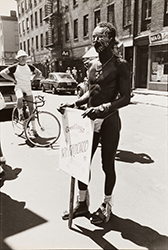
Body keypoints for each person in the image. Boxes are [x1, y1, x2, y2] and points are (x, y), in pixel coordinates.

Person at [58, 22, 131, 224]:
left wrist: (103, 109)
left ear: (110, 40)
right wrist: (74, 102)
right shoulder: (92, 66)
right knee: (81, 163)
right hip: (89, 122)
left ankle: (106, 204)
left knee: (107, 164)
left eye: (100, 37)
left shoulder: (120, 65)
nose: (95, 41)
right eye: (94, 37)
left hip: (109, 121)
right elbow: (92, 91)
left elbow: (126, 98)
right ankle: (82, 203)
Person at [0, 50, 42, 135]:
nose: (23, 59)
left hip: (28, 88)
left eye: (24, 57)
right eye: (21, 57)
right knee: (19, 97)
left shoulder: (30, 67)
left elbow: (39, 73)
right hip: (19, 87)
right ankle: (20, 114)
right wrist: (12, 80)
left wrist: (33, 79)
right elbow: (2, 73)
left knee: (31, 109)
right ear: (18, 59)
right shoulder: (14, 67)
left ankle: (34, 129)